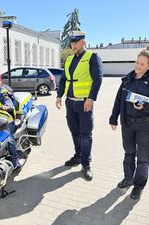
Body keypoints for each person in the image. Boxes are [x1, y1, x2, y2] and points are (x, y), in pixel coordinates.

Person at [109, 46, 149, 199]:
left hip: (146, 125)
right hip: (128, 124)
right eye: (137, 62)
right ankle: (128, 179)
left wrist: (147, 106)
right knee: (129, 153)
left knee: (143, 158)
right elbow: (118, 100)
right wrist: (113, 118)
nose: (138, 66)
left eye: (142, 64)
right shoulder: (126, 80)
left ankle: (138, 186)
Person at [56, 30, 103, 181]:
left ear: (84, 42)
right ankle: (78, 156)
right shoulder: (69, 59)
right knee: (74, 132)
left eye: (76, 42)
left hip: (84, 104)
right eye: (72, 42)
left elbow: (98, 79)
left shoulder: (92, 57)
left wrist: (91, 98)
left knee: (85, 135)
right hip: (70, 103)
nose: (73, 45)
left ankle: (86, 164)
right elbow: (63, 79)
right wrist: (59, 95)